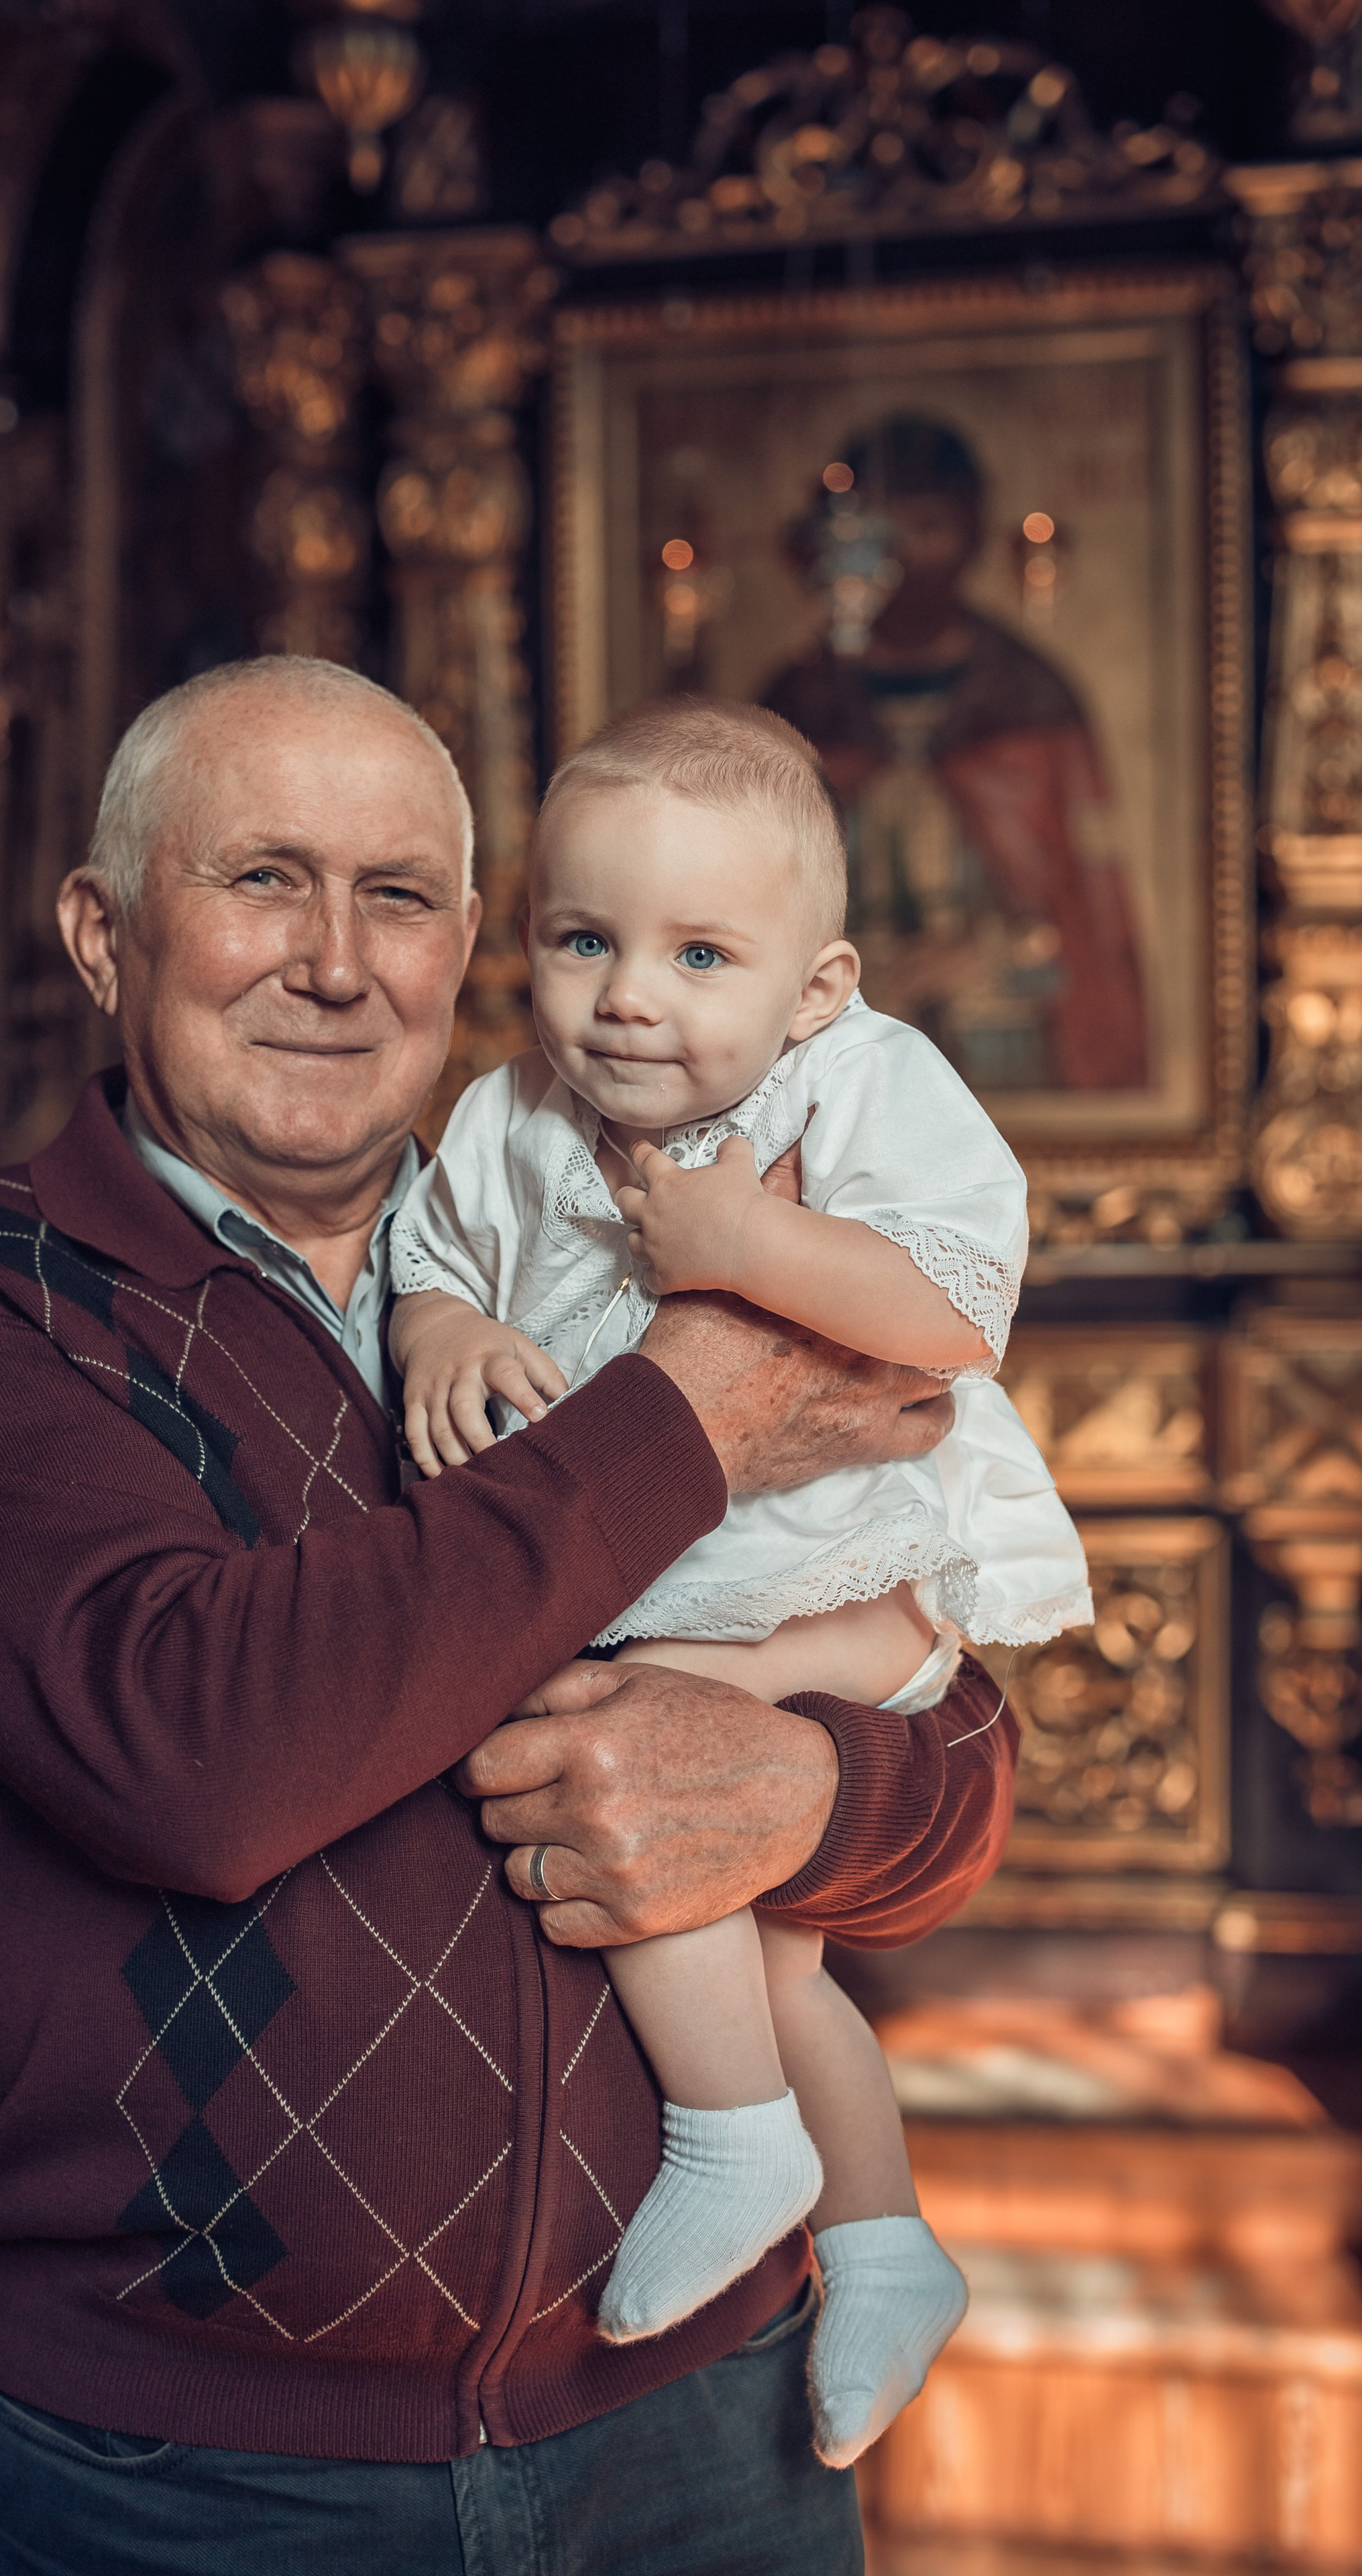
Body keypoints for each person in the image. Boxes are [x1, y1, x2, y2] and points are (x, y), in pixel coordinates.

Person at [0, 656, 1018, 2576]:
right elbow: (198, 1756)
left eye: (395, 899)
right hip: (202, 2480)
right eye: (262, 880)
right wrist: (686, 1416)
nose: (336, 963)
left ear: (469, 943)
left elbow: (949, 1718)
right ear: (103, 934)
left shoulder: (620, 1235)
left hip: (706, 2422)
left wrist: (809, 1795)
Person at [390, 694, 1086, 2463]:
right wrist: (446, 1330)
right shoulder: (510, 1118)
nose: (630, 995)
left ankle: (732, 2142)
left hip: (840, 1577)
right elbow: (429, 1254)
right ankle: (883, 2238)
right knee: (778, 1967)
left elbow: (957, 1315)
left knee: (620, 1742)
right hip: (690, 1571)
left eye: (701, 953)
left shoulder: (861, 1085)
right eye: (583, 940)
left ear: (819, 984)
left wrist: (750, 1244)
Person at [762, 411, 1149, 1095]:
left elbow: (1083, 908)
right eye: (880, 535)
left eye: (928, 528)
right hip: (828, 1048)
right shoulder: (799, 701)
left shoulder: (1030, 697)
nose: (906, 559)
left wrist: (987, 952)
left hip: (1002, 1040)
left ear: (971, 533)